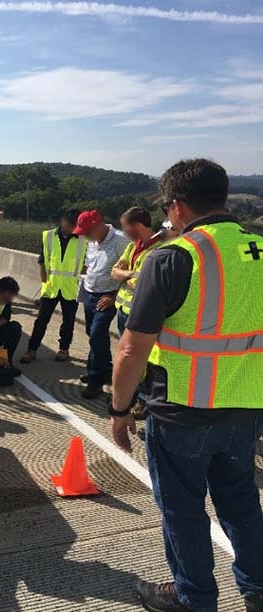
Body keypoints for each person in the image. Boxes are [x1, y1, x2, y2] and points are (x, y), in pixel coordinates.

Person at [111, 158, 263, 612]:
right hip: (246, 408)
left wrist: (120, 411)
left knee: (182, 511)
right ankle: (257, 588)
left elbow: (131, 351)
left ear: (175, 206)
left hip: (181, 411)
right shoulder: (257, 248)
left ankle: (193, 597)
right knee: (241, 504)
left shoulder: (175, 257)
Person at [112, 207, 163, 418]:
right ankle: (130, 395)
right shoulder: (133, 247)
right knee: (128, 358)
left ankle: (143, 399)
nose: (124, 233)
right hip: (123, 310)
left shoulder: (160, 249)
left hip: (142, 314)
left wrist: (127, 275)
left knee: (144, 359)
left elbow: (145, 283)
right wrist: (131, 274)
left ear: (137, 226)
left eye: (125, 228)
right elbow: (115, 272)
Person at [73, 209, 128, 399]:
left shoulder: (121, 241)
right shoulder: (92, 242)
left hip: (108, 295)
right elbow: (89, 266)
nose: (85, 236)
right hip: (90, 292)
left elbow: (132, 271)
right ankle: (105, 369)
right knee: (93, 333)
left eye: (87, 231)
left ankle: (95, 380)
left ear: (98, 225)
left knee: (97, 334)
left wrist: (114, 295)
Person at [20, 209, 86, 364]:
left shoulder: (83, 240)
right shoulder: (49, 236)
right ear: (62, 221)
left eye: (75, 225)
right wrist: (44, 280)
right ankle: (32, 350)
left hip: (70, 288)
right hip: (51, 287)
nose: (72, 228)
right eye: (70, 224)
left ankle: (64, 349)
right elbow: (42, 259)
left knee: (68, 321)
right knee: (41, 320)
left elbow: (85, 264)